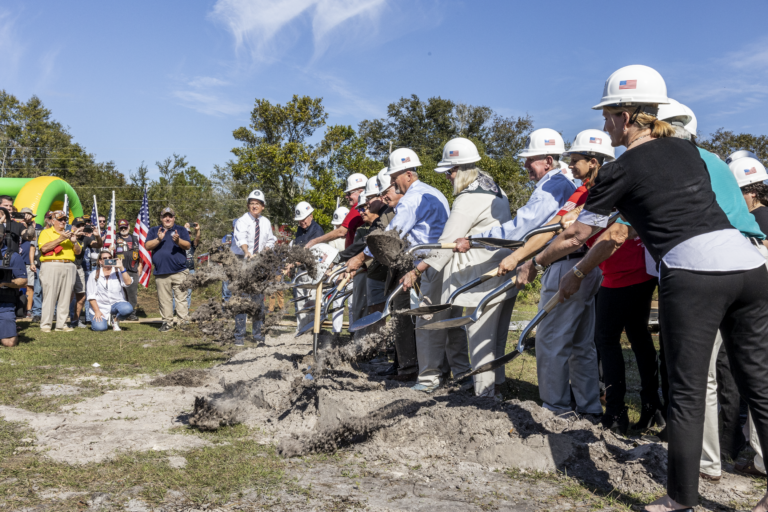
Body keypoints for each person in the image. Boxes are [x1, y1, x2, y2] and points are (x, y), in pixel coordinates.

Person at [520, 64, 768, 512]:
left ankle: (680, 499)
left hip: (696, 273)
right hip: (749, 268)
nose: (604, 125)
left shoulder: (623, 167)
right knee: (760, 384)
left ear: (628, 115)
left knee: (688, 390)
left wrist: (535, 261)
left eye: (608, 115)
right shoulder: (688, 151)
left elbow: (580, 236)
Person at [454, 128, 589, 414]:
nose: (525, 165)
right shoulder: (565, 183)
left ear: (548, 161)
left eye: (531, 160)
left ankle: (555, 408)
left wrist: (478, 240)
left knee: (551, 340)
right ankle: (587, 408)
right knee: (580, 344)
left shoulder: (553, 187)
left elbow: (526, 227)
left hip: (563, 262)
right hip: (578, 263)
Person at [418, 138, 514, 398]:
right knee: (496, 339)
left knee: (480, 338)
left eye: (449, 172)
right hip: (502, 270)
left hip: (478, 275)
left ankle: (484, 396)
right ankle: (498, 387)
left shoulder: (468, 198)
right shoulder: (496, 190)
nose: (448, 178)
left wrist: (418, 269)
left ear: (459, 169)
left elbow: (446, 243)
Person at [372, 147, 467, 391]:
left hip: (429, 264)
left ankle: (428, 380)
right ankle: (457, 376)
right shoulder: (434, 192)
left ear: (408, 174)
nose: (394, 183)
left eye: (395, 178)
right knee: (450, 322)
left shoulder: (413, 199)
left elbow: (392, 235)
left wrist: (359, 258)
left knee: (427, 323)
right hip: (446, 261)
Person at [231, 190, 277, 345]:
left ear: (263, 206)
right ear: (248, 205)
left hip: (259, 265)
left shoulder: (266, 222)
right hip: (243, 262)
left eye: (257, 203)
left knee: (258, 302)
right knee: (242, 301)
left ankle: (258, 336)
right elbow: (241, 238)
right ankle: (239, 336)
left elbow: (271, 239)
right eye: (252, 203)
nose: (254, 206)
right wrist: (247, 252)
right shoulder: (242, 221)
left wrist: (266, 250)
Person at [145, 207, 191, 332]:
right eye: (165, 216)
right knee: (164, 300)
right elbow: (147, 246)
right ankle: (167, 323)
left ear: (174, 218)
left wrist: (178, 240)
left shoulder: (181, 229)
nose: (167, 218)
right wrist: (158, 239)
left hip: (179, 271)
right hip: (161, 272)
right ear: (161, 218)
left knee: (181, 298)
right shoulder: (154, 230)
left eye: (170, 216)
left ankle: (183, 323)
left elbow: (188, 245)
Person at [38, 210, 80, 332]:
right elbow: (44, 248)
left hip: (69, 265)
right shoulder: (45, 233)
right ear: (52, 221)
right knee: (49, 295)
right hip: (51, 264)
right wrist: (61, 238)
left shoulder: (70, 234)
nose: (63, 221)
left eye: (64, 219)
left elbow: (78, 252)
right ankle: (46, 324)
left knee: (66, 296)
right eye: (60, 219)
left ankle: (61, 325)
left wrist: (74, 242)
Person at [304, 173, 367, 250]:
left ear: (361, 191)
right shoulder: (359, 207)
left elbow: (341, 231)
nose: (346, 196)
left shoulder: (357, 207)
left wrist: (314, 241)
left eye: (349, 193)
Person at [292, 201, 324, 332]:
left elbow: (313, 253)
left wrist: (295, 262)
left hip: (312, 271)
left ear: (311, 215)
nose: (301, 222)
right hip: (300, 271)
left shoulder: (317, 231)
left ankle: (314, 331)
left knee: (312, 302)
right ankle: (301, 329)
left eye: (303, 219)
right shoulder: (300, 230)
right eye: (299, 220)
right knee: (299, 302)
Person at [87, 248, 134, 332]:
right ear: (100, 261)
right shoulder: (94, 274)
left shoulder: (118, 272)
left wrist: (122, 267)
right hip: (100, 306)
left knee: (127, 309)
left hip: (116, 303)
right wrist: (97, 311)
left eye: (110, 257)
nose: (108, 260)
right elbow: (91, 296)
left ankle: (115, 320)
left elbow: (128, 283)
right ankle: (101, 321)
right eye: (105, 258)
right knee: (100, 328)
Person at [69, 216, 102, 328]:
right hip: (67, 267)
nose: (81, 227)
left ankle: (75, 320)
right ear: (72, 227)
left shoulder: (85, 238)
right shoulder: (67, 235)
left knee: (81, 296)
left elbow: (98, 245)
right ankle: (63, 319)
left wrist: (98, 237)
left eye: (83, 225)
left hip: (79, 268)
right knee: (67, 295)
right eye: (78, 226)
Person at [0, 237, 27, 346]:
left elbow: (23, 281)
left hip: (4, 304)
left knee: (10, 342)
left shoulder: (13, 256)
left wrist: (3, 283)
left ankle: (7, 330)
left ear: (2, 237)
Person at [114, 219, 141, 320]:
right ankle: (118, 312)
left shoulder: (135, 238)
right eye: (121, 228)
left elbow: (141, 254)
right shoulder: (115, 237)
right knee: (118, 291)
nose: (123, 229)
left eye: (125, 227)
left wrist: (140, 265)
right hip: (118, 270)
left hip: (133, 269)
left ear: (129, 227)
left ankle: (131, 313)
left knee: (132, 293)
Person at [328, 207, 349, 333]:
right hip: (337, 271)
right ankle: (336, 331)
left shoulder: (354, 234)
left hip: (353, 270)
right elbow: (332, 257)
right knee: (337, 302)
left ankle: (353, 331)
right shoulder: (333, 238)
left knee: (353, 304)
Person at [30, 213, 51, 322]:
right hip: (39, 265)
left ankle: (54, 312)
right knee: (38, 290)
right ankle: (37, 313)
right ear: (46, 220)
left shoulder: (59, 233)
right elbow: (32, 248)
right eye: (51, 218)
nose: (52, 220)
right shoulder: (38, 232)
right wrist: (32, 263)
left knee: (53, 289)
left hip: (53, 264)